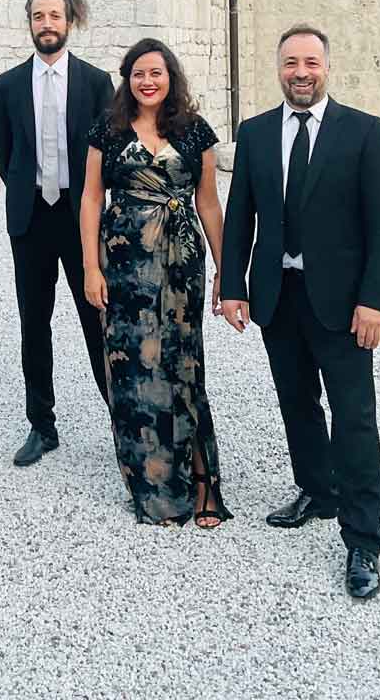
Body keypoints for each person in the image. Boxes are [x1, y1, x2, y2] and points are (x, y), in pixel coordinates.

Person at [220, 24, 380, 599]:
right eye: (291, 62)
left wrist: (376, 301)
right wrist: (232, 287)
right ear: (279, 68)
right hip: (278, 296)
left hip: (345, 305)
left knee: (353, 415)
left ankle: (364, 534)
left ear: (327, 67)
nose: (301, 71)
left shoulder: (366, 133)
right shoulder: (253, 134)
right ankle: (317, 491)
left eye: (311, 62)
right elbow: (240, 216)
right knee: (297, 402)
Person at [80, 39, 232, 527]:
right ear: (128, 79)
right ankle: (153, 486)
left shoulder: (194, 132)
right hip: (123, 264)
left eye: (157, 73)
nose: (148, 81)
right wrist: (90, 267)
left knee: (183, 363)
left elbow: (208, 202)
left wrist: (226, 268)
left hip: (180, 261)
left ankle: (203, 482)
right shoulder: (108, 129)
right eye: (139, 74)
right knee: (133, 374)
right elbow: (89, 200)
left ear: (171, 78)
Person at [0, 0, 113, 467]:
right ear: (30, 23)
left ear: (69, 22)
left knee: (95, 319)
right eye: (38, 16)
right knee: (33, 325)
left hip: (81, 217)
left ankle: (121, 418)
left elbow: (106, 152)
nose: (47, 24)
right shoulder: (7, 86)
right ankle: (42, 425)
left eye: (54, 16)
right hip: (32, 218)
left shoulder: (97, 83)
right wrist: (28, 189)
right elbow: (5, 153)